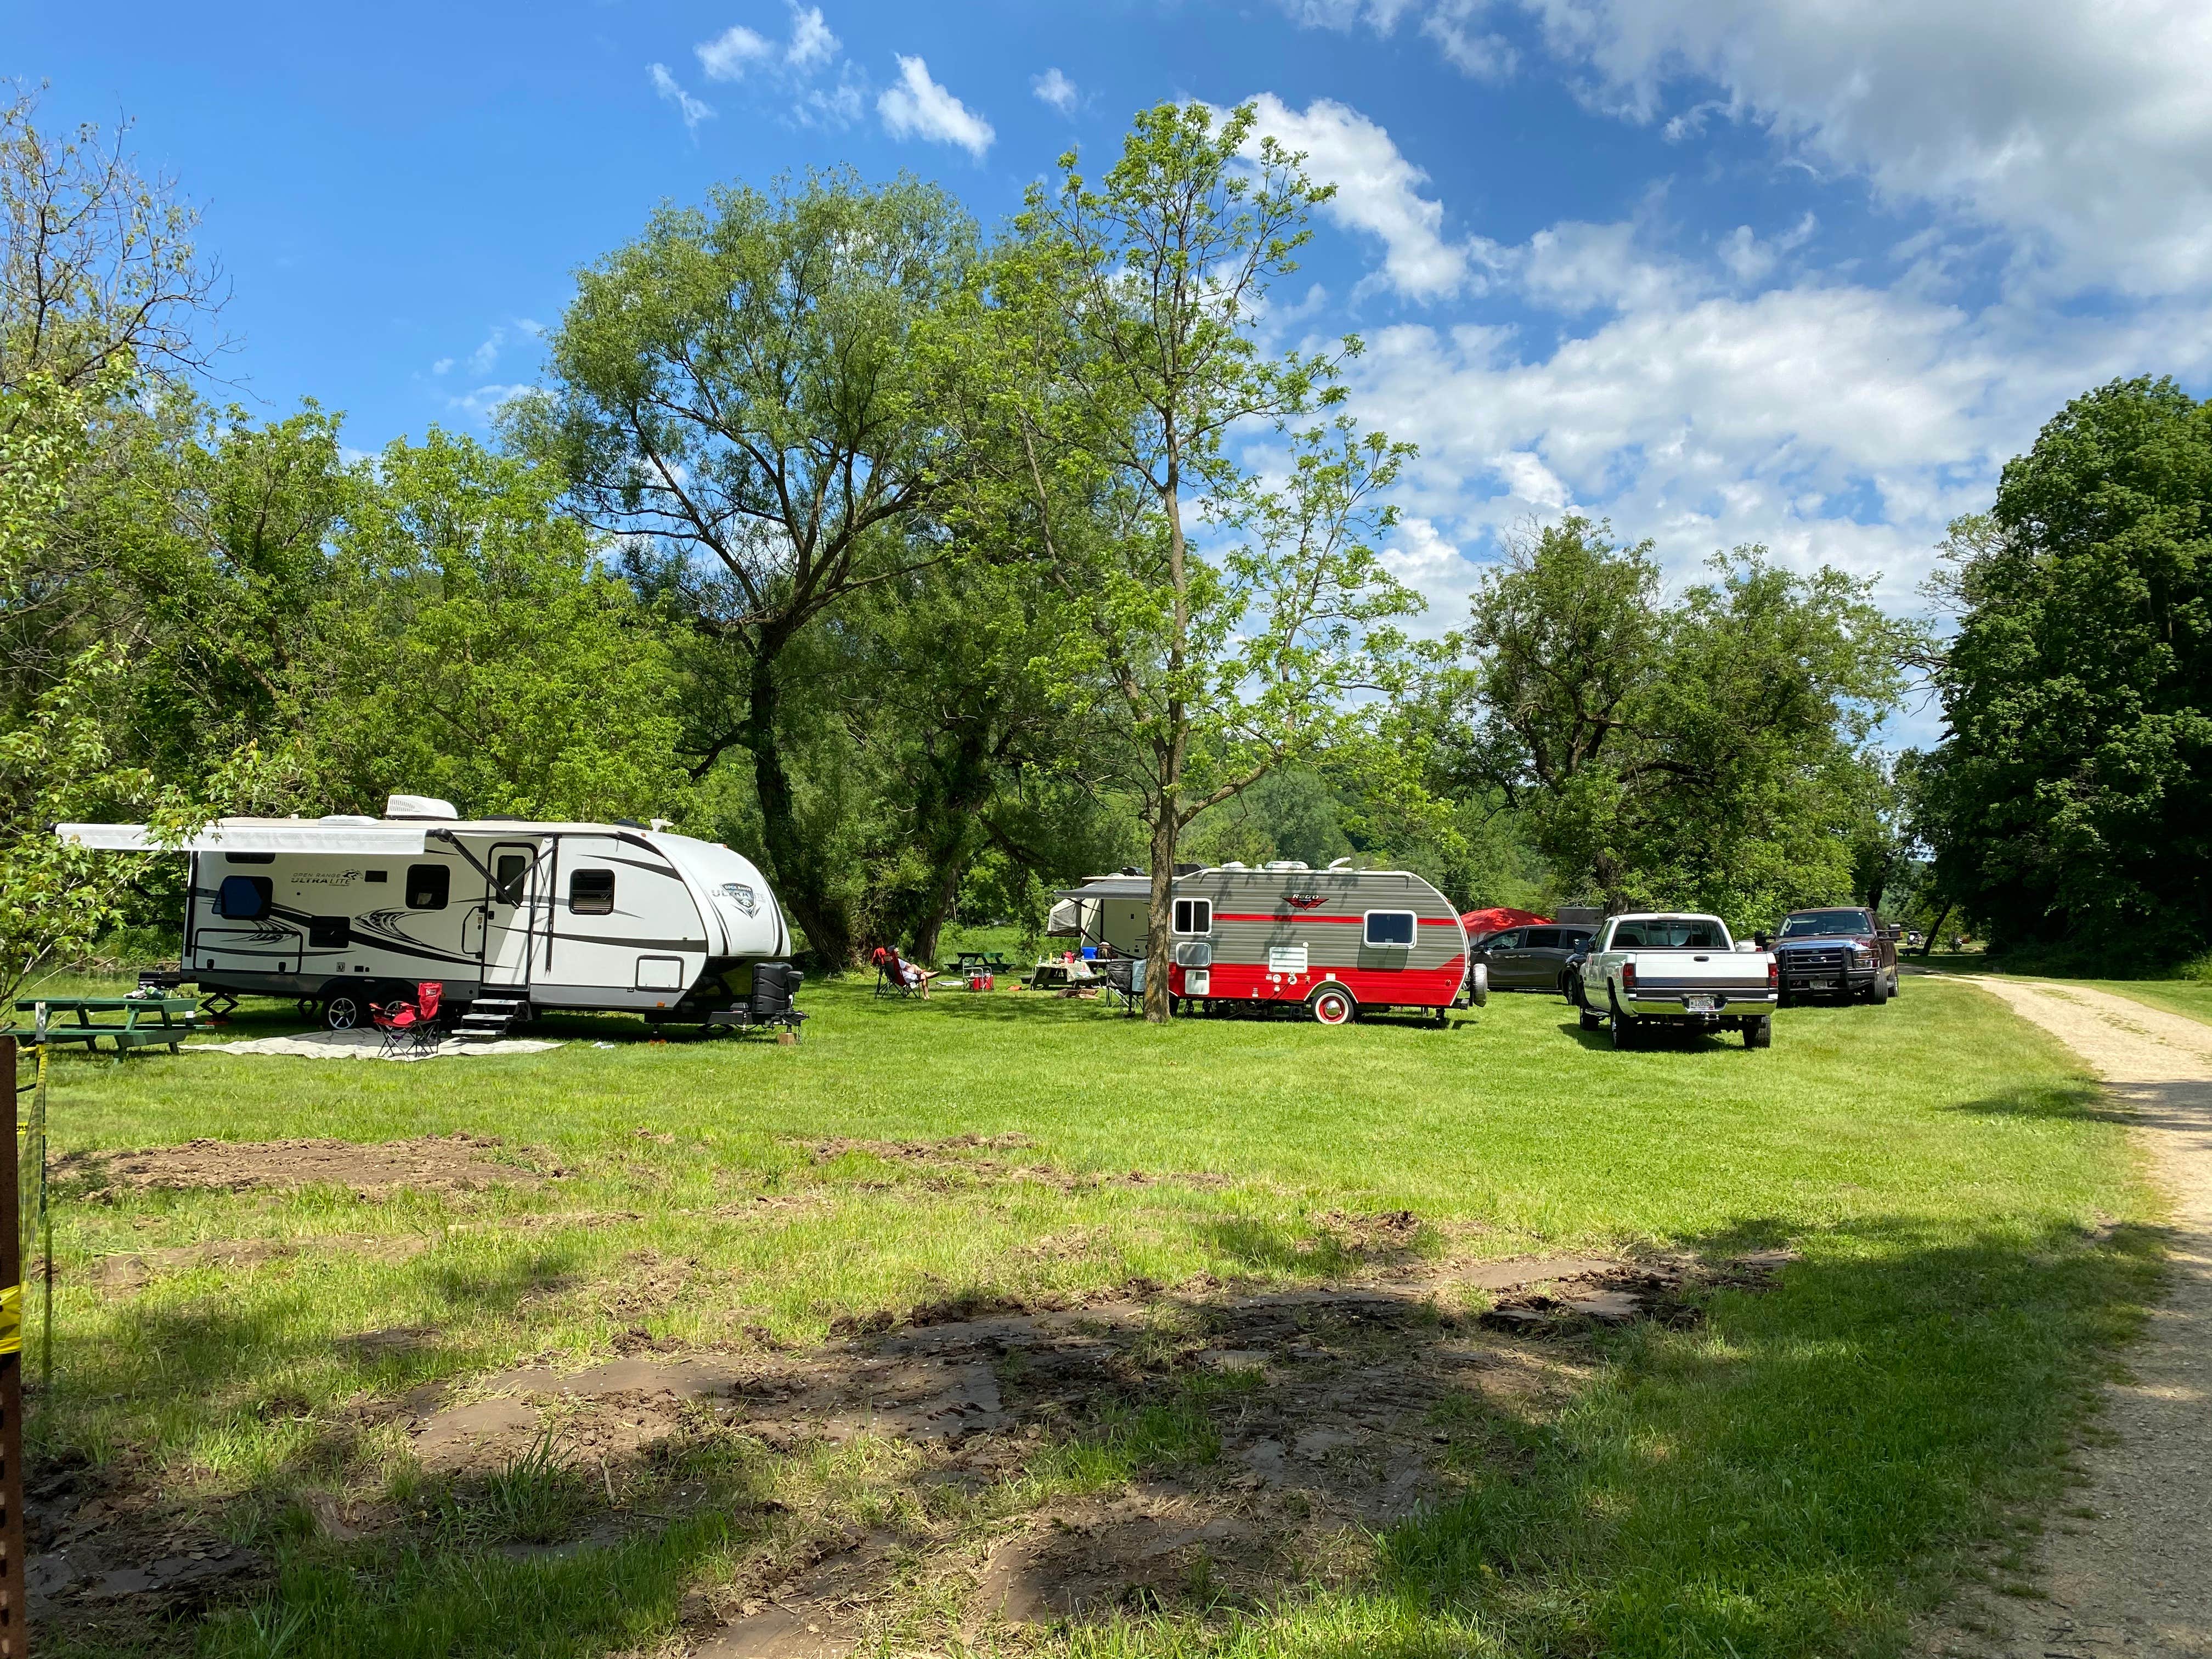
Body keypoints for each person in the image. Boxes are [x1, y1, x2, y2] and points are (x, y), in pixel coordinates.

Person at [872, 945, 940, 998]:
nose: (898, 953)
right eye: (897, 952)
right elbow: (908, 965)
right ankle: (926, 995)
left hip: (895, 978)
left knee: (914, 967)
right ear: (894, 953)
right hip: (903, 978)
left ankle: (925, 973)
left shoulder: (886, 961)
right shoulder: (896, 961)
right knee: (923, 976)